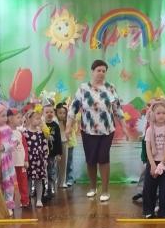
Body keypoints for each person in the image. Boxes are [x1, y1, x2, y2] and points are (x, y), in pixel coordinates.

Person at [68, 59, 126, 203]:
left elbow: (117, 109)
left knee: (103, 158)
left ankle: (105, 191)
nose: (101, 73)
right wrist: (68, 127)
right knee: (91, 159)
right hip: (88, 130)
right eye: (98, 70)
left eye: (103, 71)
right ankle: (92, 188)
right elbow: (73, 108)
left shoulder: (110, 88)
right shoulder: (83, 88)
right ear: (92, 71)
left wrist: (124, 127)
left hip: (107, 130)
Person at [143, 99, 165, 219]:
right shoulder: (149, 130)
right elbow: (148, 149)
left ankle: (164, 212)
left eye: (164, 113)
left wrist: (162, 164)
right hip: (153, 163)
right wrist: (153, 165)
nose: (161, 115)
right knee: (149, 188)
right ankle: (148, 211)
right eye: (158, 113)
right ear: (153, 115)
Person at [24, 108, 49, 208]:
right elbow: (23, 148)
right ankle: (27, 199)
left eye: (39, 119)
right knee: (28, 180)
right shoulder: (25, 133)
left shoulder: (40, 133)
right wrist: (24, 160)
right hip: (29, 161)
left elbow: (44, 146)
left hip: (39, 160)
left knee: (39, 180)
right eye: (36, 118)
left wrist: (45, 159)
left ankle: (39, 199)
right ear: (29, 120)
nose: (39, 121)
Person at [8, 109, 29, 209]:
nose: (21, 120)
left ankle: (25, 200)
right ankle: (10, 202)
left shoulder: (20, 133)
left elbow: (25, 147)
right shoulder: (6, 132)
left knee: (23, 182)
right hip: (10, 163)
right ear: (10, 119)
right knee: (10, 183)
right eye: (18, 117)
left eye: (21, 117)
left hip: (21, 163)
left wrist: (26, 160)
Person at [43, 102, 63, 199]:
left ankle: (51, 188)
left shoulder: (56, 125)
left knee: (51, 171)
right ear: (43, 113)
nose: (49, 114)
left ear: (54, 113)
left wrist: (59, 153)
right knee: (43, 171)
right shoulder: (41, 125)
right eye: (47, 112)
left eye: (51, 112)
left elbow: (59, 140)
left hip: (52, 154)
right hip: (42, 154)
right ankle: (42, 189)